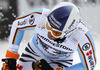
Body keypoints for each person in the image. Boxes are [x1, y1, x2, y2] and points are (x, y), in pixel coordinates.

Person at [2, 2, 97, 70]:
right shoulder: (41, 16)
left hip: (60, 62)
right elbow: (18, 25)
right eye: (48, 25)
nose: (49, 33)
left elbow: (89, 66)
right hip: (34, 51)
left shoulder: (82, 37)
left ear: (69, 32)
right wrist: (11, 56)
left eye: (56, 33)